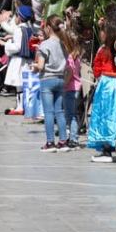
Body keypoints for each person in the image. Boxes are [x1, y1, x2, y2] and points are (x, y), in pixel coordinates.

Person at [89, 8, 116, 159]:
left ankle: (107, 147)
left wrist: (98, 76)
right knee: (114, 114)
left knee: (105, 115)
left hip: (107, 83)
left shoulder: (105, 48)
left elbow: (96, 66)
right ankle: (113, 145)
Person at [33, 16, 71, 151]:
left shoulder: (45, 44)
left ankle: (50, 142)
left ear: (48, 28)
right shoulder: (64, 44)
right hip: (60, 79)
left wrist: (34, 66)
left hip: (47, 80)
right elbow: (67, 65)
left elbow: (41, 66)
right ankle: (63, 141)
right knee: (60, 112)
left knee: (49, 113)